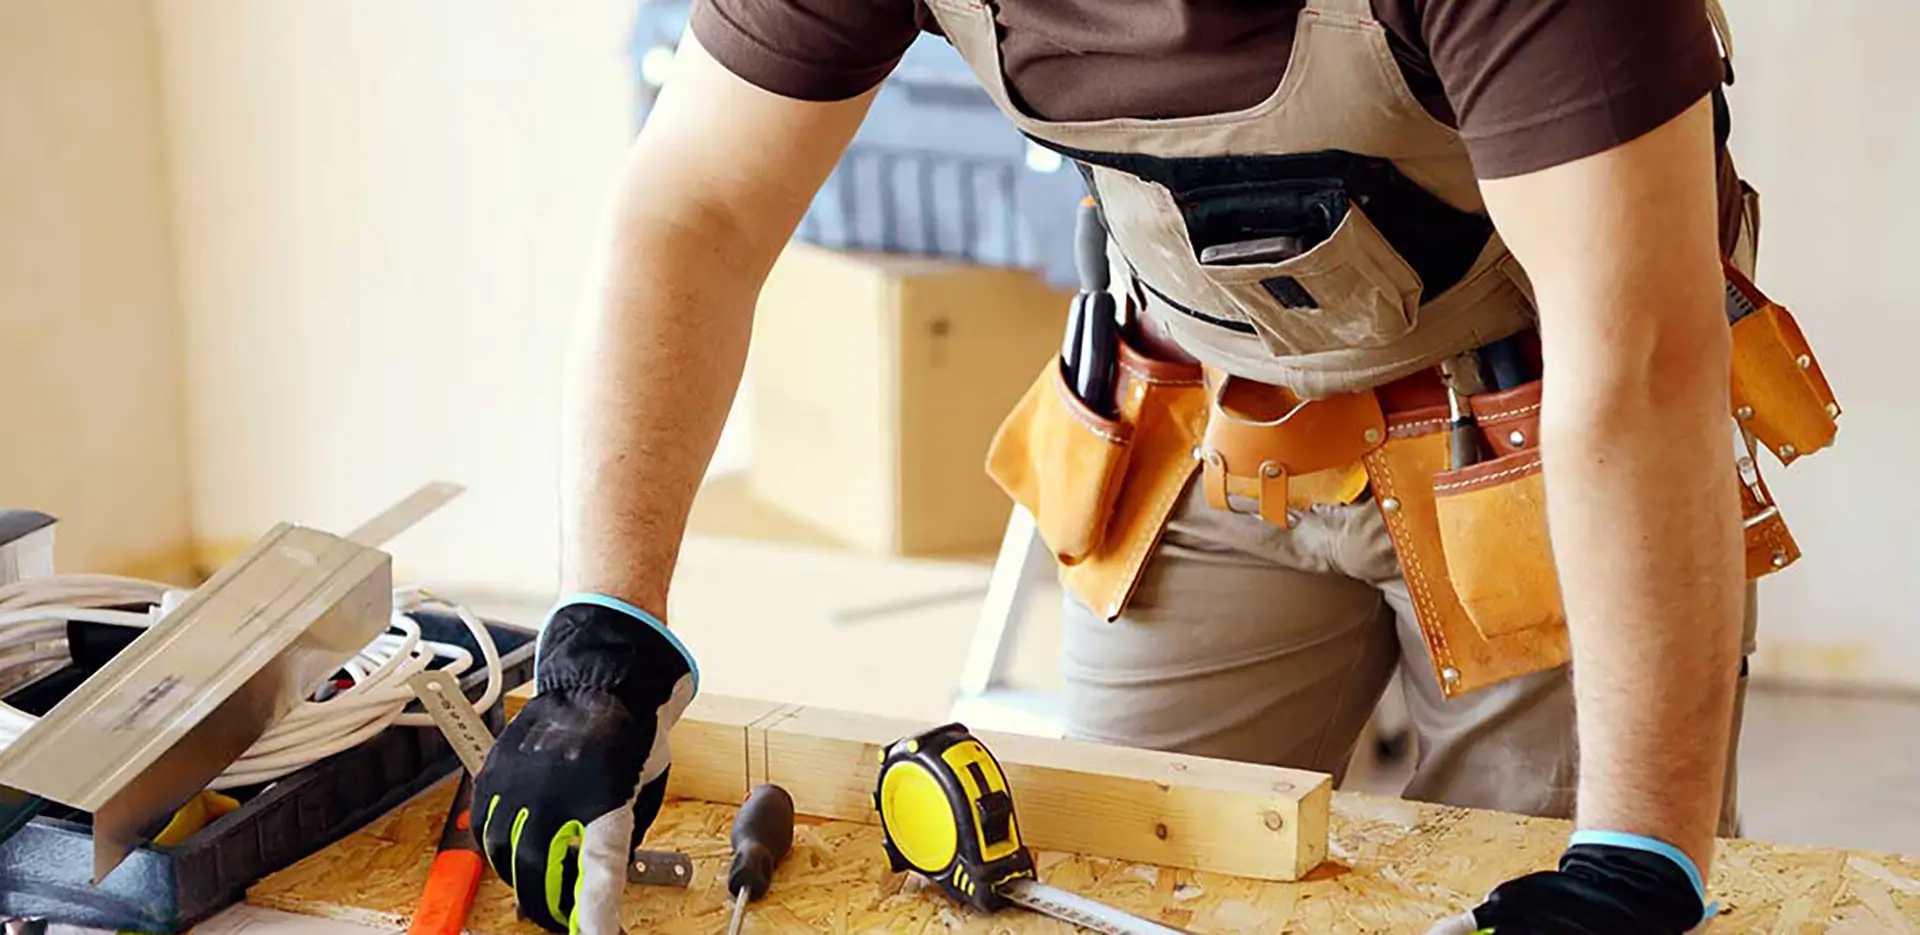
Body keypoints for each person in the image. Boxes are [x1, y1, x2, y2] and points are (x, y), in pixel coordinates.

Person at [470, 1, 1840, 932]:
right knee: (1131, 880)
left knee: (1549, 876)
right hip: (1205, 439)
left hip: (1542, 451)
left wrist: (1635, 861)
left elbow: (1643, 353)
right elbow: (694, 207)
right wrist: (604, 642)